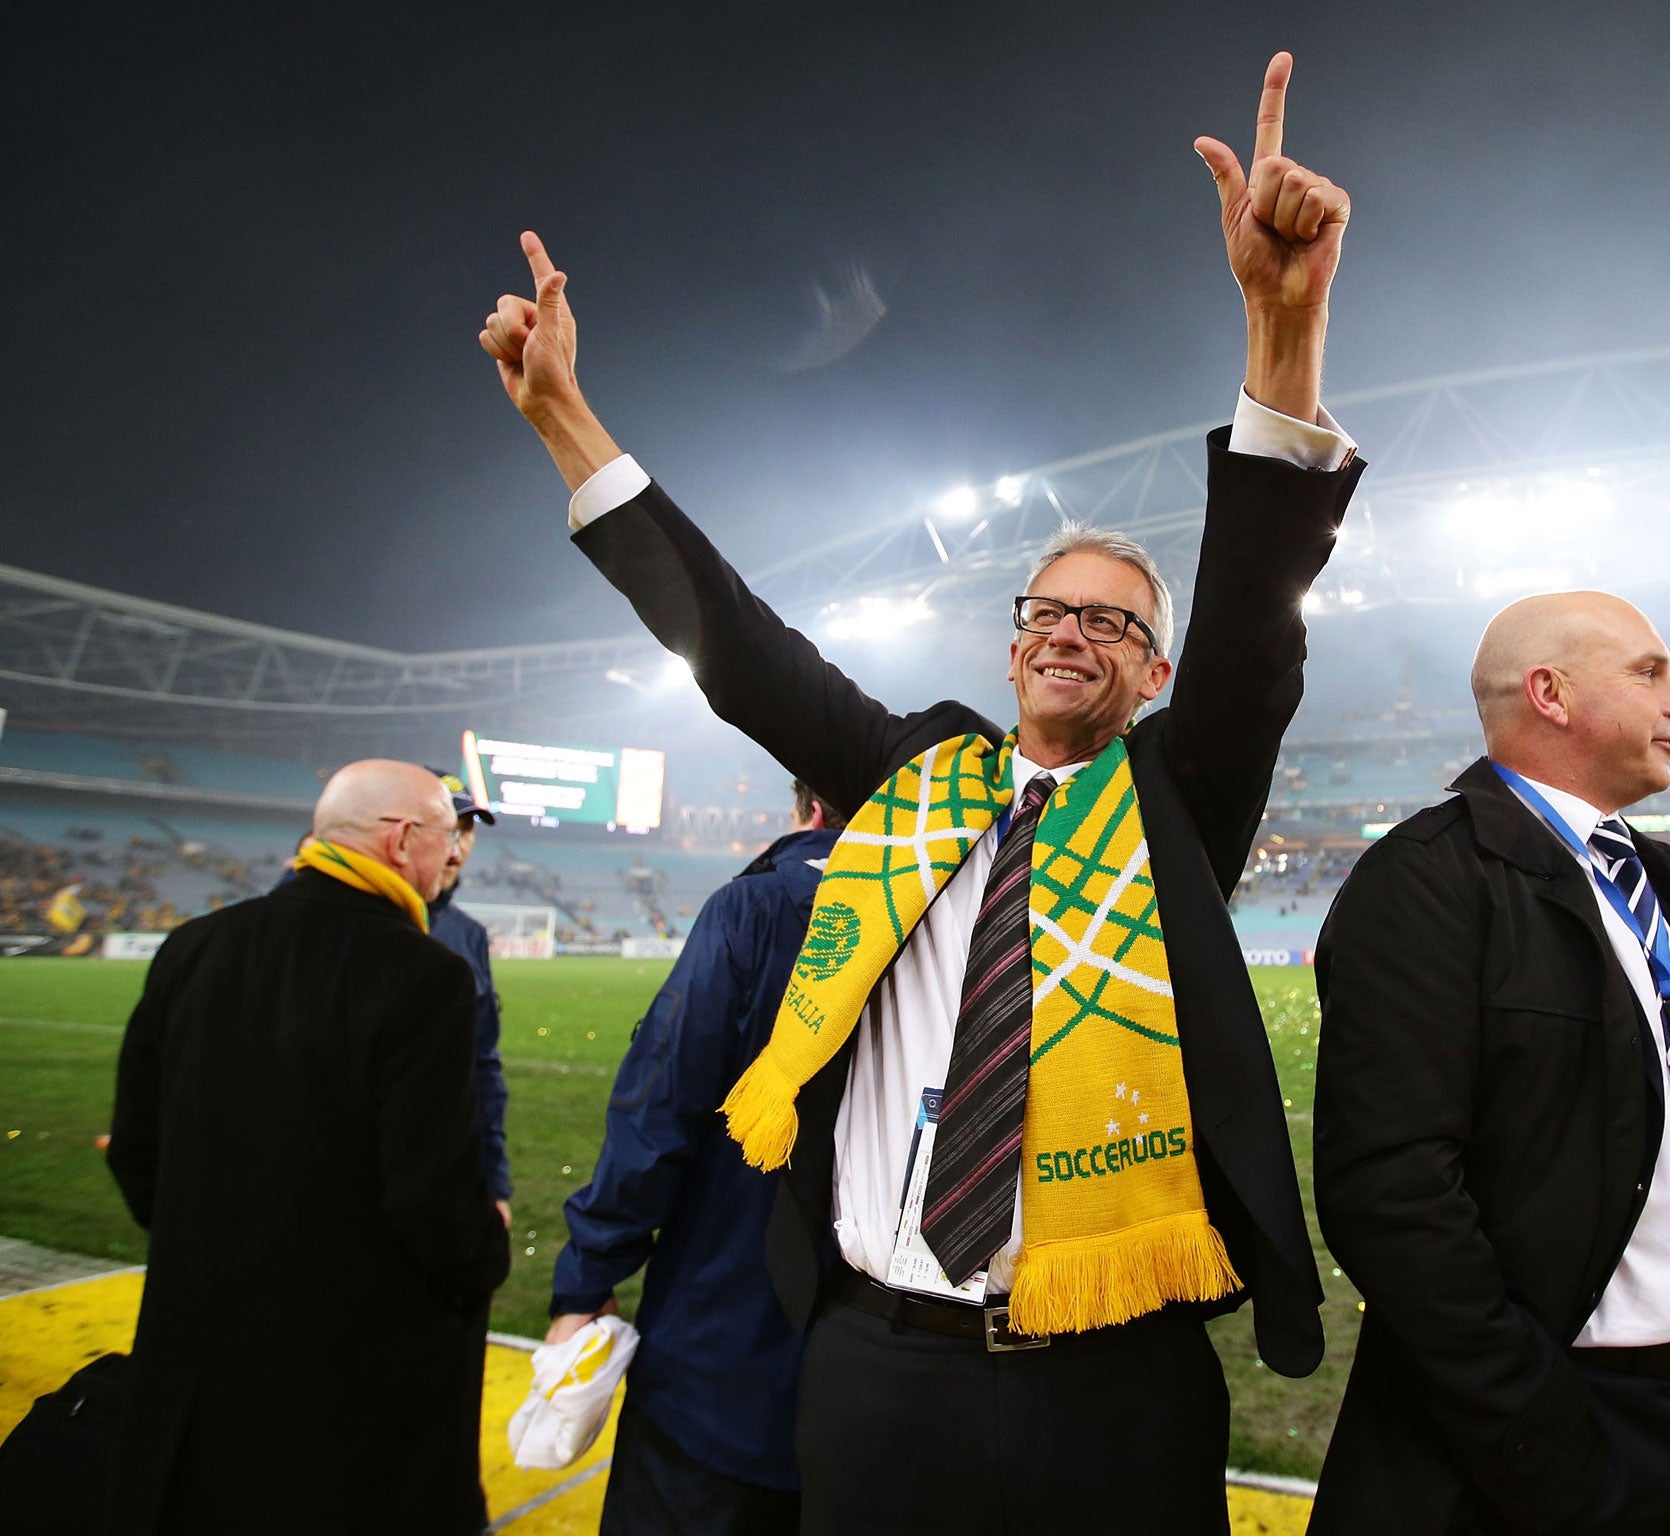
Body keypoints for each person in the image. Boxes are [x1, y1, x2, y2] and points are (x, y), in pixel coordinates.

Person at [482, 53, 1362, 1536]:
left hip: (1112, 1378)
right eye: (1047, 610)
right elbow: (737, 647)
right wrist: (568, 419)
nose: (1072, 631)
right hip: (879, 1369)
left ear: (1155, 674)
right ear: (1012, 646)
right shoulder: (913, 780)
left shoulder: (1176, 799)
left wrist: (1283, 331)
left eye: (1114, 622)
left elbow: (1255, 625)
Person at [1311, 592, 1670, 1536]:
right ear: (1550, 694)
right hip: (1579, 1424)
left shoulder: (1660, 881)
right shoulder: (1427, 878)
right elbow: (1390, 1191)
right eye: (1649, 672)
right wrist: (1536, 1430)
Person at [106, 760, 510, 1534]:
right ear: (401, 841)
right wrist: (484, 1254)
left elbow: (135, 1150)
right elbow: (431, 1198)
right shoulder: (423, 973)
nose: (454, 852)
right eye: (444, 834)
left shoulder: (194, 945)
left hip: (198, 1366)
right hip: (346, 1388)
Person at [546, 781, 844, 1536]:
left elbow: (658, 1112)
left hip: (718, 1357)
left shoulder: (755, 908)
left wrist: (587, 1278)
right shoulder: (964, 915)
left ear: (809, 808)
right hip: (890, 1385)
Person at [425, 767, 514, 1226]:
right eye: (447, 829)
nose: (457, 848)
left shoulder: (468, 935)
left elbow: (484, 1066)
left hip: (449, 1177)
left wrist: (494, 1181)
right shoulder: (353, 925)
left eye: (467, 832)